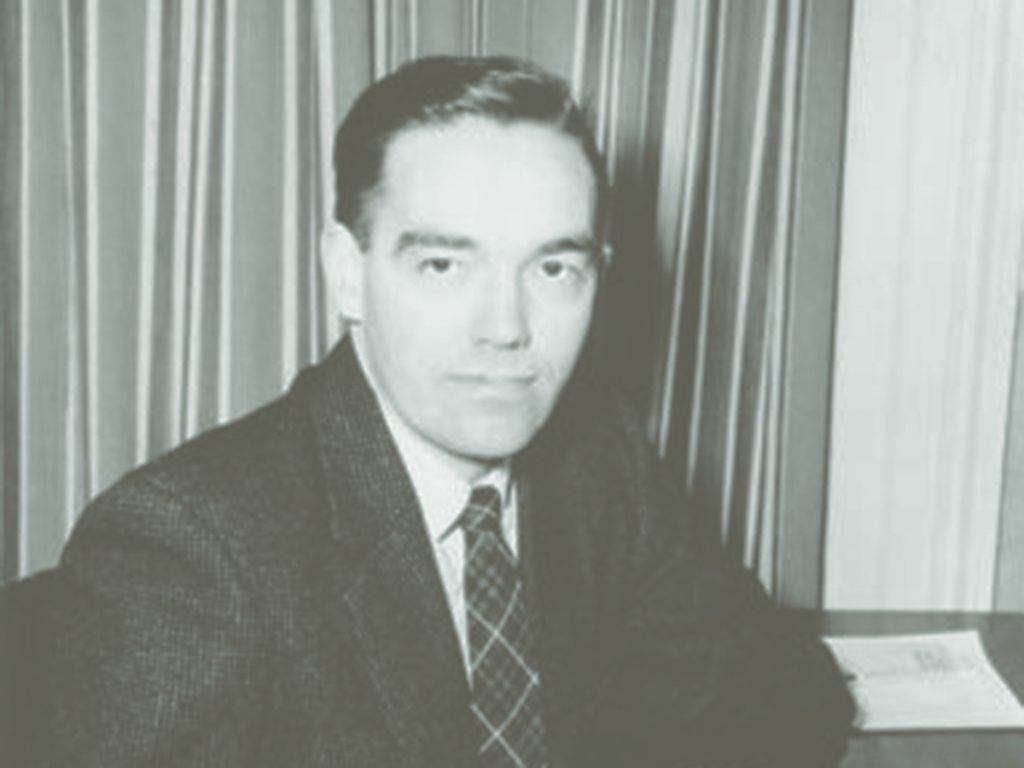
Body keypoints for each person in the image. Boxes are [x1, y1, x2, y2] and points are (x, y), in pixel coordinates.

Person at [8, 56, 853, 767]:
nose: (507, 330)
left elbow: (783, 688)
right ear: (349, 271)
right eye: (446, 265)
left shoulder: (600, 462)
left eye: (554, 269)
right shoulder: (191, 547)